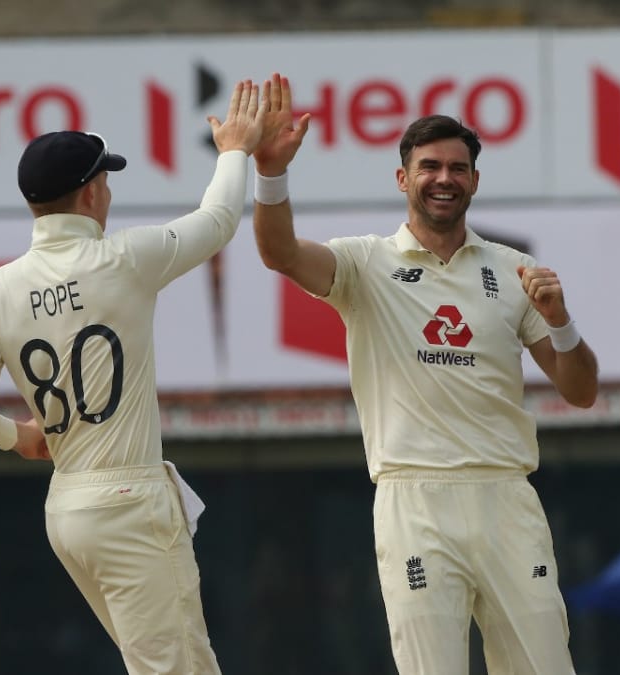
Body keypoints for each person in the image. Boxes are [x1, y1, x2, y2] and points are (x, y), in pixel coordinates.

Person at [250, 73, 599, 674]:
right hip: (415, 499)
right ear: (403, 178)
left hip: (506, 495)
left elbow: (582, 390)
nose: (444, 179)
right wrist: (271, 172)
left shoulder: (514, 270)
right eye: (430, 166)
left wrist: (561, 322)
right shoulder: (364, 263)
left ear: (475, 181)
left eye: (457, 168)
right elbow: (279, 252)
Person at [0, 79, 267, 674]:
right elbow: (219, 220)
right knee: (181, 668)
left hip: (67, 507)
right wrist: (235, 150)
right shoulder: (123, 259)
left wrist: (19, 438)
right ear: (91, 193)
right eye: (106, 181)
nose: (108, 192)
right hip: (129, 501)